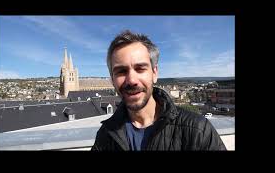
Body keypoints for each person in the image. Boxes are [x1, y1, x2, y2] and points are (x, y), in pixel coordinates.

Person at [91, 30, 226, 151]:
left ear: (154, 73)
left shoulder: (197, 130)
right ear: (112, 80)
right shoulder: (106, 136)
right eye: (121, 71)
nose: (132, 80)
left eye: (140, 68)